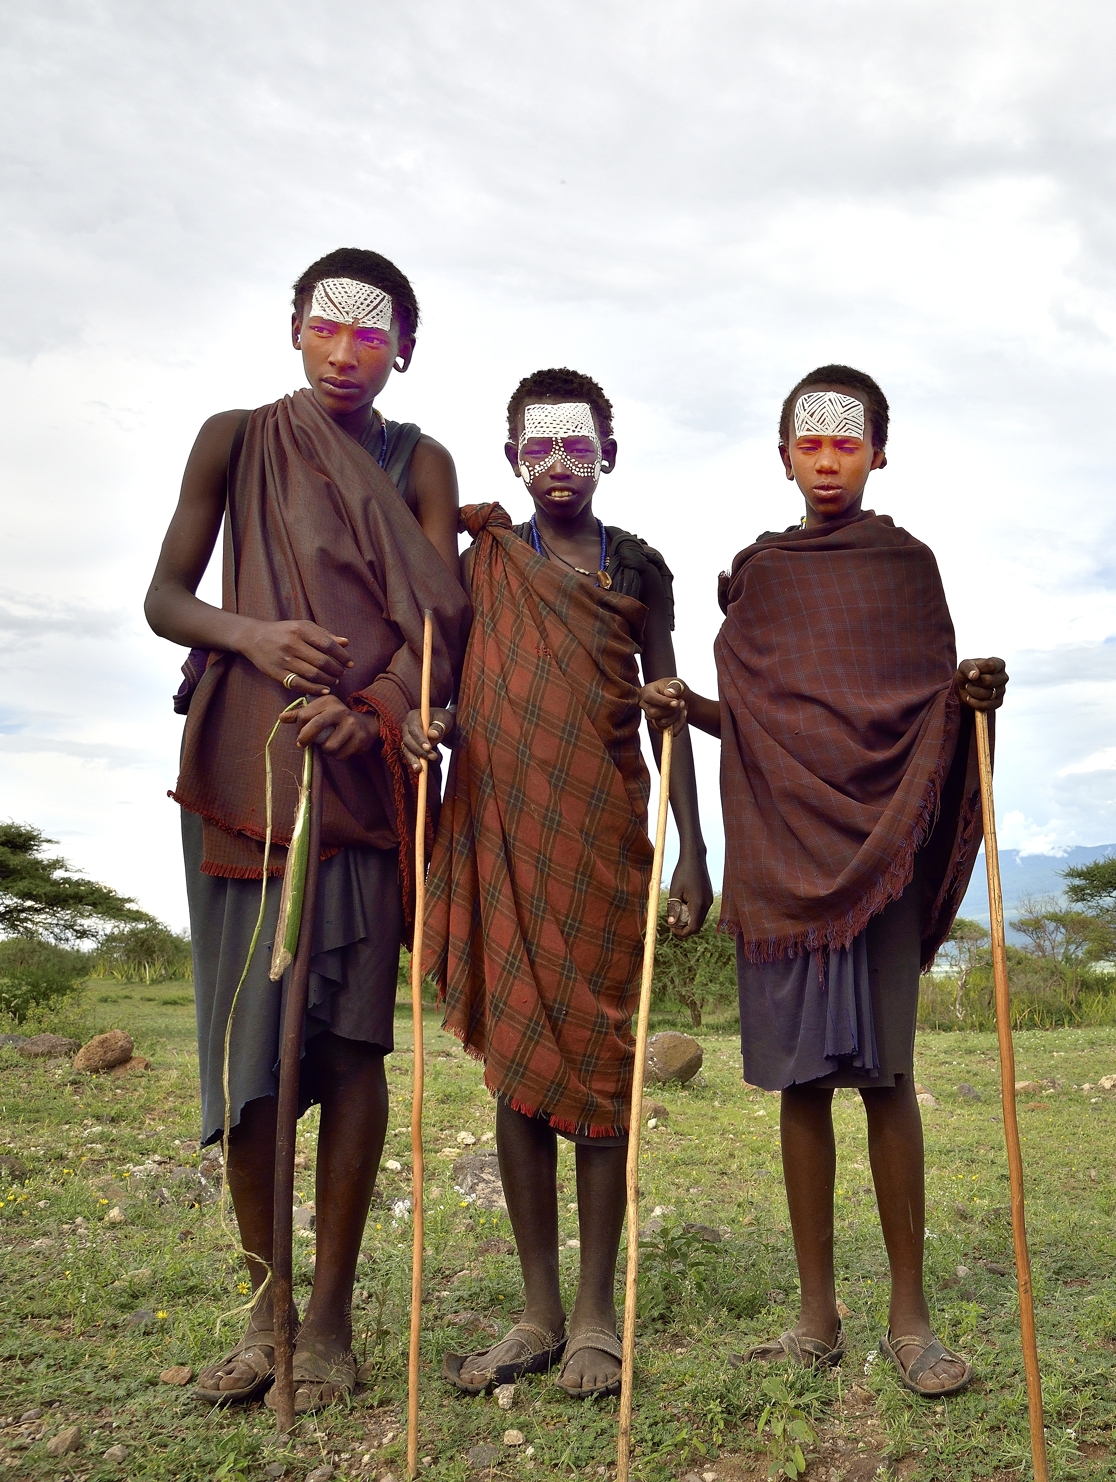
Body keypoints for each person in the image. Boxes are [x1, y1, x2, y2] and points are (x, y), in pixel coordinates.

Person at [641, 364, 1008, 1398]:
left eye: (847, 441)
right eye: (810, 443)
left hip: (880, 854)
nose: (828, 460)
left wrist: (972, 698)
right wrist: (685, 707)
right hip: (780, 853)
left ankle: (910, 1316)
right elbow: (760, 721)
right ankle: (816, 1316)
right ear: (783, 456)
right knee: (800, 1084)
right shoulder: (763, 576)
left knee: (885, 1078)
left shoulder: (906, 569)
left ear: (879, 452)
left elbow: (923, 711)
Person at [144, 247, 470, 1412]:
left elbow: (441, 623)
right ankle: (264, 1317)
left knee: (349, 1046)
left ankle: (328, 1321)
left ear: (403, 351)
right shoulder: (235, 440)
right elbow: (165, 598)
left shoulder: (421, 463)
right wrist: (253, 636)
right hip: (250, 769)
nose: (344, 354)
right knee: (251, 1057)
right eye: (326, 329)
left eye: (370, 335)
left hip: (364, 777)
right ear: (293, 329)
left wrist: (371, 705)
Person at [404, 368, 713, 1400]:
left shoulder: (641, 569)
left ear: (608, 455)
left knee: (600, 1066)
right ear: (512, 459)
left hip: (600, 839)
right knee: (518, 1066)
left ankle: (593, 1314)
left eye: (578, 446)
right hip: (501, 831)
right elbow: (450, 684)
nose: (558, 465)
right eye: (539, 448)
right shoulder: (483, 562)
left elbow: (668, 713)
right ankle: (536, 1311)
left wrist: (695, 848)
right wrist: (427, 723)